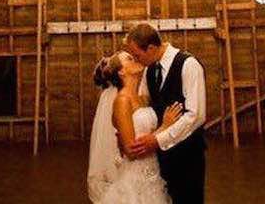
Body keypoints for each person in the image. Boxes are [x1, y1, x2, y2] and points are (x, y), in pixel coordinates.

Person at [125, 23, 207, 204]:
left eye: (137, 56)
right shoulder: (150, 69)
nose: (137, 61)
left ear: (151, 48)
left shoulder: (188, 65)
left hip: (188, 155)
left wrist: (157, 139)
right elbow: (145, 103)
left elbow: (196, 115)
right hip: (161, 158)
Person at [87, 49, 182, 203]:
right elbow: (130, 151)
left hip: (153, 173)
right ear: (122, 72)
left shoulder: (143, 99)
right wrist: (164, 127)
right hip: (135, 178)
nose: (136, 59)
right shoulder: (122, 101)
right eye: (129, 59)